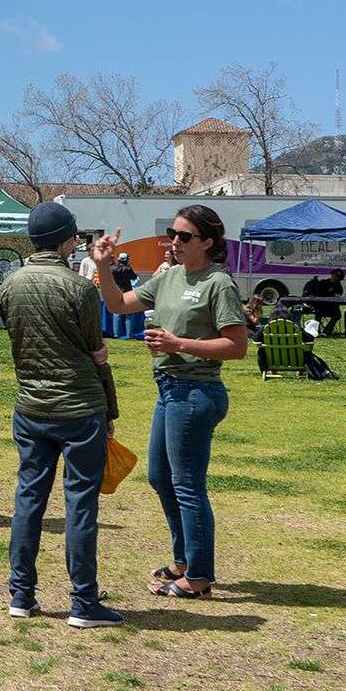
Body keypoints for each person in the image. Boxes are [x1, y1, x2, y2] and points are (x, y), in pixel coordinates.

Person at [94, 204, 247, 599]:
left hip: (197, 392)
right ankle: (183, 560)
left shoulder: (219, 283)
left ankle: (198, 576)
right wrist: (105, 267)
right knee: (161, 477)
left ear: (208, 242)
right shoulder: (169, 277)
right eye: (173, 235)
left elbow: (236, 346)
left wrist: (179, 343)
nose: (174, 243)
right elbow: (117, 305)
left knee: (187, 485)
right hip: (169, 390)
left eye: (184, 237)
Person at [0, 202, 123, 628]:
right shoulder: (78, 288)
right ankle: (83, 602)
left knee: (28, 500)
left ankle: (21, 594)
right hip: (79, 405)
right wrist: (110, 406)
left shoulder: (9, 284)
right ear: (69, 240)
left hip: (31, 405)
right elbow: (96, 351)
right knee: (80, 504)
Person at [110, 254, 144, 340]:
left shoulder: (112, 268)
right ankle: (129, 335)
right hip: (127, 291)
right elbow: (134, 277)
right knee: (129, 314)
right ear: (126, 260)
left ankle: (116, 334)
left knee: (116, 313)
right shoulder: (128, 269)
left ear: (119, 259)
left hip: (116, 291)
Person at [304, 269, 345, 336]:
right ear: (332, 274)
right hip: (321, 306)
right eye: (335, 274)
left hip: (332, 307)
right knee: (318, 312)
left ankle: (326, 331)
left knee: (338, 314)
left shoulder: (338, 286)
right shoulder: (323, 282)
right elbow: (316, 292)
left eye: (338, 276)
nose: (335, 277)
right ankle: (316, 331)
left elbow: (338, 295)